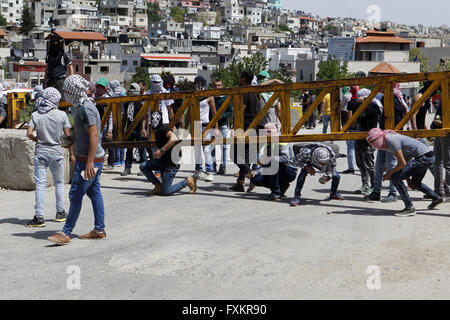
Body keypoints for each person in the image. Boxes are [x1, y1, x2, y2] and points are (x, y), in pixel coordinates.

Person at [48, 75, 107, 245]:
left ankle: (66, 233)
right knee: (93, 192)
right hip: (93, 158)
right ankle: (99, 229)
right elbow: (84, 132)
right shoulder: (83, 107)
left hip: (89, 160)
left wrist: (89, 162)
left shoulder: (85, 109)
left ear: (73, 91)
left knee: (75, 194)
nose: (65, 94)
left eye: (67, 91)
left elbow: (94, 135)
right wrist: (72, 138)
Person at [367, 128, 444, 217]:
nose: (375, 145)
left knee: (395, 178)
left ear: (379, 138)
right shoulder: (388, 139)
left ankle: (409, 207)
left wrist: (389, 173)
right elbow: (406, 161)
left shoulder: (391, 140)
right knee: (415, 183)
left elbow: (402, 163)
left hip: (424, 158)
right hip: (427, 157)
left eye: (374, 142)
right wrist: (407, 179)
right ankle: (436, 198)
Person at [25, 87, 72, 227]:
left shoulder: (36, 115)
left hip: (40, 152)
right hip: (56, 152)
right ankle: (60, 212)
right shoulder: (62, 115)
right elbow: (68, 137)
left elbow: (29, 133)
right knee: (59, 183)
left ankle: (39, 217)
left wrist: (37, 140)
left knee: (40, 184)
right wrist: (71, 153)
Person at [139, 110, 197, 196]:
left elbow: (173, 138)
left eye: (157, 118)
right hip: (163, 162)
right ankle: (158, 186)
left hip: (171, 164)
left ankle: (188, 181)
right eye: (153, 119)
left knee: (166, 191)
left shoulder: (163, 128)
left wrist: (161, 151)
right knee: (143, 166)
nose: (155, 121)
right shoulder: (157, 131)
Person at [247, 123, 298, 200]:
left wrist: (269, 159)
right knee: (255, 179)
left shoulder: (281, 140)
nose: (266, 134)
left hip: (289, 170)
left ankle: (275, 192)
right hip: (277, 168)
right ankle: (282, 186)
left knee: (272, 164)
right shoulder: (268, 143)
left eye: (268, 131)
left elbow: (285, 158)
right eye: (265, 132)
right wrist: (255, 172)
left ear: (274, 132)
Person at [229, 70, 260, 192]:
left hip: (243, 127)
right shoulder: (254, 91)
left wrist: (235, 127)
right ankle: (240, 183)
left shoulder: (244, 92)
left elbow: (240, 110)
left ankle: (252, 174)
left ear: (243, 79)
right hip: (252, 126)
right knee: (245, 157)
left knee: (234, 155)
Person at [347, 88, 381, 196]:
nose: (358, 99)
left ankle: (374, 187)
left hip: (369, 138)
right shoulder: (361, 107)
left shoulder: (373, 106)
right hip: (360, 136)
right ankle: (365, 185)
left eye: (360, 97)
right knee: (360, 163)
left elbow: (359, 119)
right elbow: (354, 122)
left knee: (369, 164)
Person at [187, 75, 218, 182]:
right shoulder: (193, 96)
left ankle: (210, 172)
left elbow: (214, 114)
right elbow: (189, 114)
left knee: (207, 149)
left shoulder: (209, 96)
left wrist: (216, 127)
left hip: (206, 125)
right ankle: (198, 170)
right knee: (197, 150)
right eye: (197, 83)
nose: (198, 85)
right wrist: (186, 128)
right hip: (195, 125)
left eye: (200, 83)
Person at [121, 83, 147, 176]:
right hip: (129, 127)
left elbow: (144, 115)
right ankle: (127, 167)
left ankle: (143, 168)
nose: (132, 90)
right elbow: (125, 115)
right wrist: (122, 128)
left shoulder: (141, 100)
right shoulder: (127, 101)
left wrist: (143, 128)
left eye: (134, 88)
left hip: (139, 127)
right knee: (129, 148)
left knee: (141, 148)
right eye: (130, 88)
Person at [212, 79, 233, 175]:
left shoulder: (226, 98)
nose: (217, 87)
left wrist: (222, 116)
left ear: (222, 86)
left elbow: (230, 111)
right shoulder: (211, 97)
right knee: (211, 145)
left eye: (219, 85)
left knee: (224, 146)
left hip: (223, 124)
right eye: (215, 85)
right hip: (212, 125)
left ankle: (223, 165)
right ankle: (212, 164)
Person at [44, 32, 74, 98]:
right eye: (53, 42)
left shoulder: (64, 56)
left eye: (56, 41)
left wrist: (71, 81)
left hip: (60, 82)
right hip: (50, 81)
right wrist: (44, 81)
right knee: (49, 100)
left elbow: (70, 67)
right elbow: (47, 68)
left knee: (62, 101)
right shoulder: (49, 56)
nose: (54, 43)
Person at [95, 78, 116, 171]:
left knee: (108, 143)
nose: (99, 89)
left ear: (106, 88)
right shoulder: (93, 97)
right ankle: (99, 161)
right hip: (96, 126)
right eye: (98, 87)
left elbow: (110, 116)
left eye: (101, 87)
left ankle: (111, 163)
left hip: (105, 126)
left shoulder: (107, 99)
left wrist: (110, 130)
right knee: (98, 145)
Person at [431, 100, 450, 198]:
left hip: (447, 132)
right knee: (437, 161)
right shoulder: (444, 95)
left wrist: (443, 122)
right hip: (439, 130)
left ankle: (449, 191)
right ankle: (439, 190)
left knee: (447, 163)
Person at [109, 80, 125, 167]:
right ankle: (122, 159)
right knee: (121, 139)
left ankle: (117, 160)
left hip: (115, 119)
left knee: (116, 139)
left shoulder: (112, 95)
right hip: (122, 119)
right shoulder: (123, 94)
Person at [341, 86, 355, 174]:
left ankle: (351, 167)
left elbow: (342, 107)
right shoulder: (357, 98)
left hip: (346, 116)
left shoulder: (346, 96)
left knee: (350, 147)